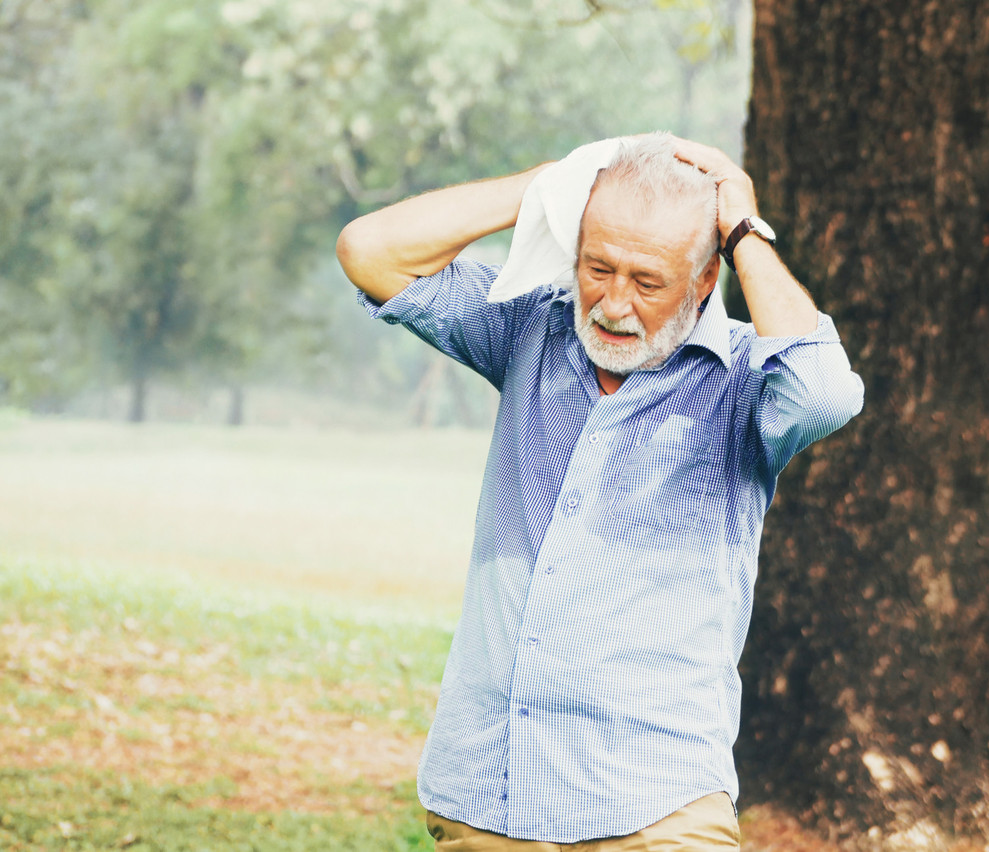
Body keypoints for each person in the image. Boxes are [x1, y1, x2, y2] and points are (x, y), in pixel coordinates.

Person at [336, 133, 864, 850]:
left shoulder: (745, 380)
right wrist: (554, 182)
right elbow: (370, 252)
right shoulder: (530, 326)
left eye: (647, 282)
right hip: (487, 792)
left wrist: (741, 227)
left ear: (703, 280)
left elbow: (825, 392)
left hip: (654, 806)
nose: (614, 303)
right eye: (597, 268)